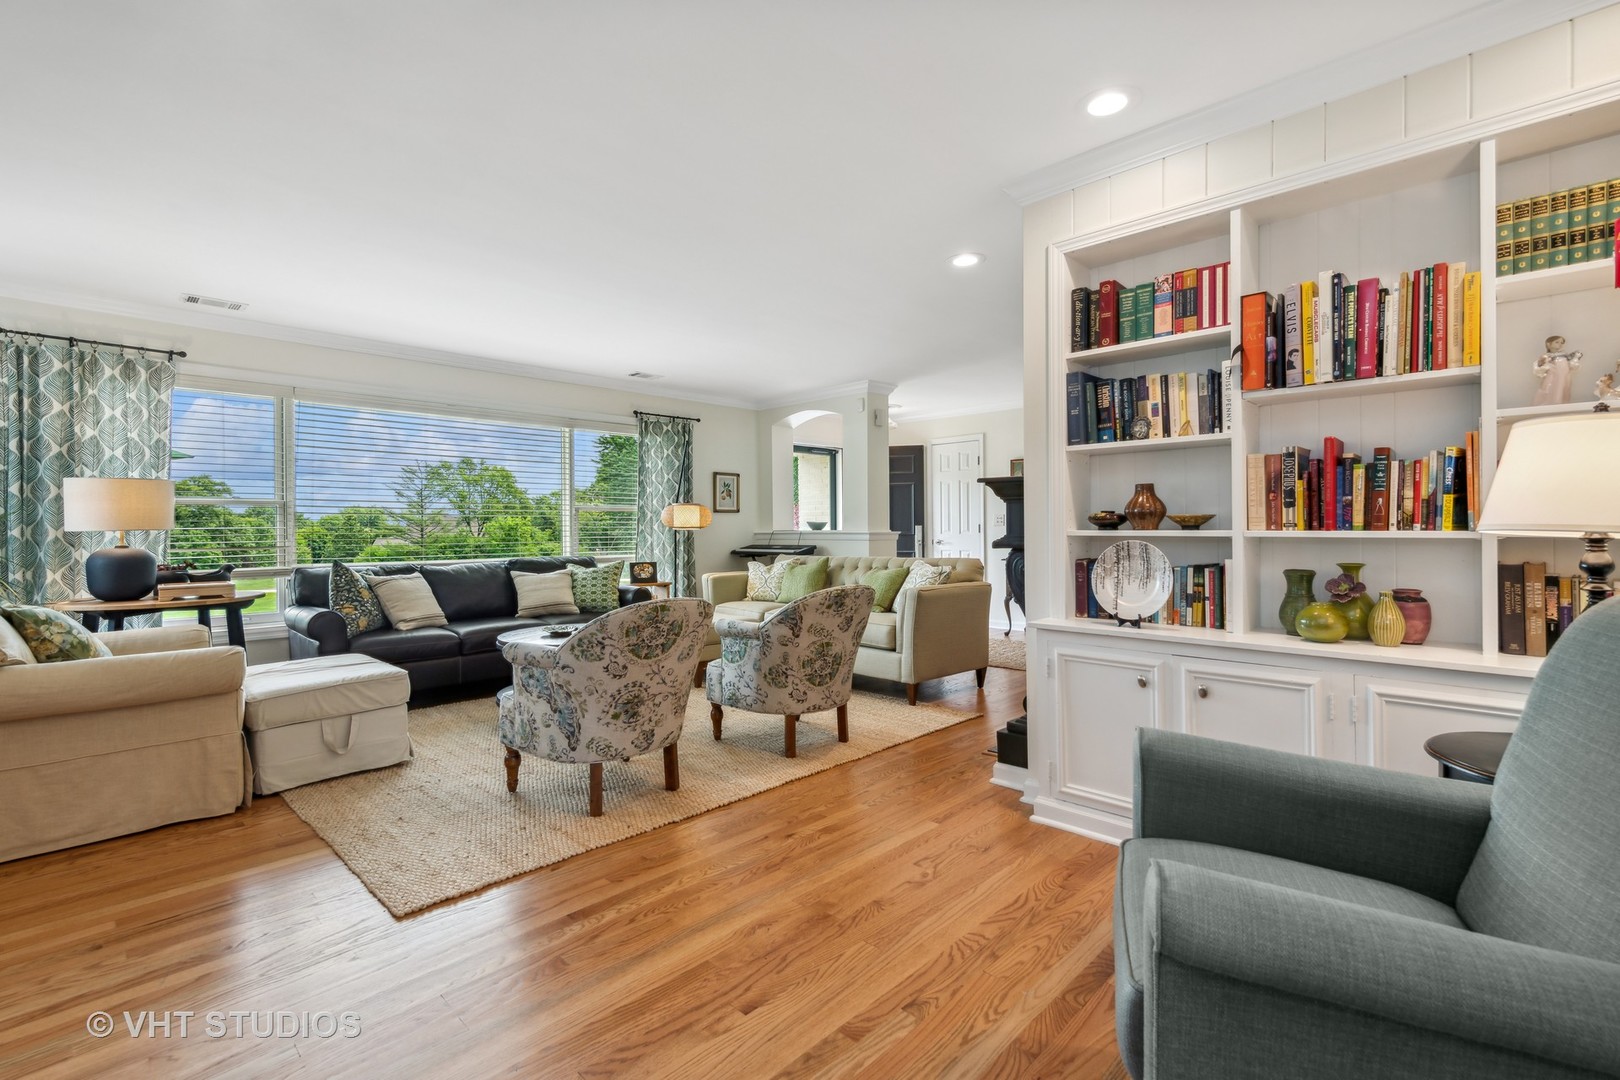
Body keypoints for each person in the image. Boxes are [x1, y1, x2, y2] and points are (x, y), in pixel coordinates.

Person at [1532, 335, 1582, 406]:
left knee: (1563, 392)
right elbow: (1538, 370)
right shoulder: (1546, 356)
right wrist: (1541, 363)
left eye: (1562, 342)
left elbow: (1572, 366)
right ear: (1549, 344)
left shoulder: (1565, 355)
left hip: (1564, 378)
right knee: (1550, 391)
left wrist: (1576, 358)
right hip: (1552, 378)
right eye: (1557, 342)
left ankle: (1561, 406)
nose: (1560, 344)